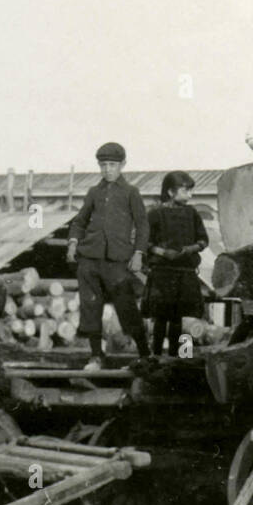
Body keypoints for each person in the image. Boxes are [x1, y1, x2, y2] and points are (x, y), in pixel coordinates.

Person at [67, 141, 150, 370]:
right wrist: (73, 244)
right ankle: (96, 356)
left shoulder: (131, 193)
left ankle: (144, 354)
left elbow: (143, 226)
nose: (108, 170)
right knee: (90, 306)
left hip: (118, 261)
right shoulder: (94, 193)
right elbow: (80, 221)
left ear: (122, 165)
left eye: (112, 165)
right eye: (103, 165)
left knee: (126, 306)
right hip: (90, 260)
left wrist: (138, 254)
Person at [146, 171, 209, 358]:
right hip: (162, 274)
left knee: (186, 319)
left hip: (186, 273)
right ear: (171, 192)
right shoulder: (155, 214)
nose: (190, 195)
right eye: (185, 190)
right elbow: (144, 242)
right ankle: (156, 357)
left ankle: (184, 357)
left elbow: (204, 240)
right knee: (161, 318)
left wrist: (189, 249)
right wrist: (162, 252)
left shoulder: (193, 213)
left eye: (191, 191)